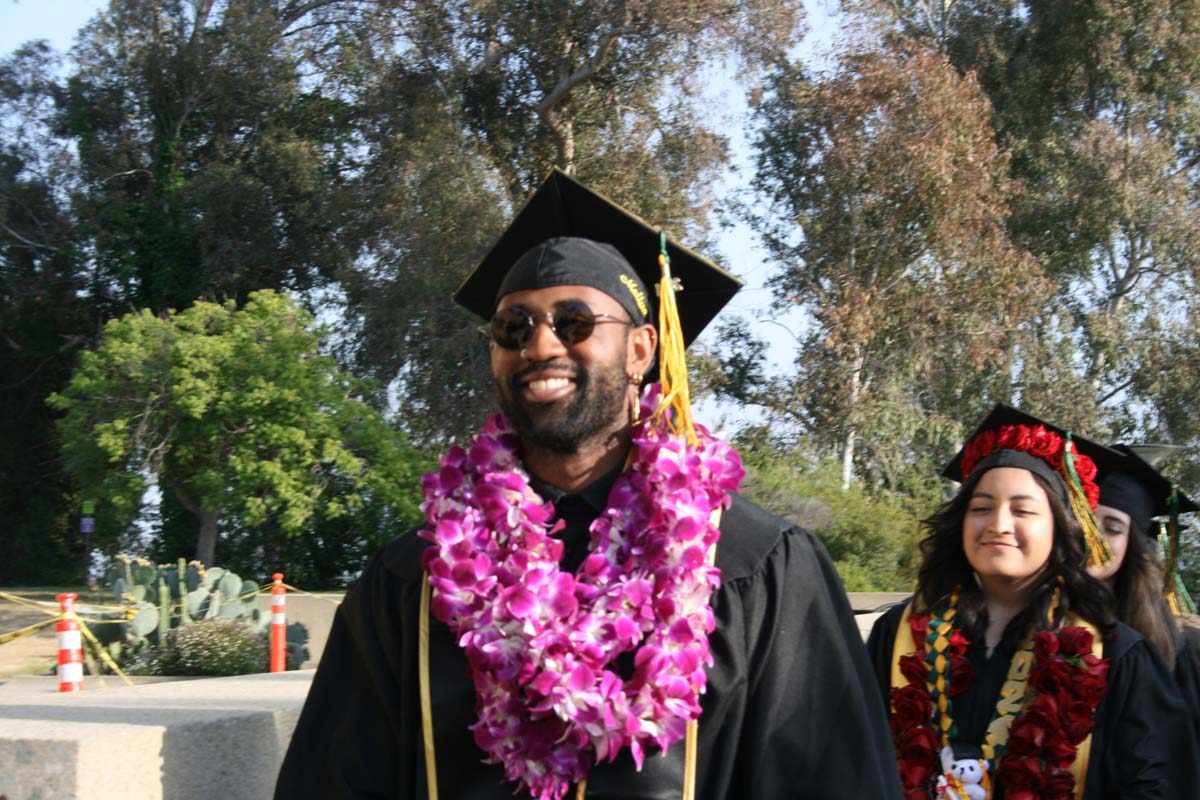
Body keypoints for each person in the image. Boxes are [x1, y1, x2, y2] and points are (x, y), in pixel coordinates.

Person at [275, 169, 901, 799]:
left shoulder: (755, 567)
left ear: (640, 350)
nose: (540, 344)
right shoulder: (413, 582)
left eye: (574, 322)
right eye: (512, 327)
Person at [865, 404, 1198, 798]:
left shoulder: (1116, 655)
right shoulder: (899, 635)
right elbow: (849, 760)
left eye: (1023, 510)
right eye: (981, 508)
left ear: (1061, 528)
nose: (998, 524)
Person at [1090, 444, 1200, 743]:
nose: (1092, 537)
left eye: (1112, 528)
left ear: (1133, 545)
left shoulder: (1179, 648)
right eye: (1082, 519)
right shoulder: (1030, 622)